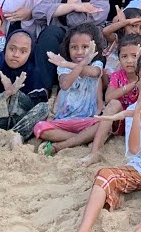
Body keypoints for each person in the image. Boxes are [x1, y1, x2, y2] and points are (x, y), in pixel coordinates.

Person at [51, 48, 141, 232]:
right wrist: (134, 114)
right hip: (140, 168)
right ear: (138, 77)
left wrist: (130, 113)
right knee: (104, 175)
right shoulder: (131, 108)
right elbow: (134, 149)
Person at [31, 0, 110, 87]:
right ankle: (43, 88)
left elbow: (75, 23)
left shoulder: (101, 3)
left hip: (84, 52)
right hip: (57, 46)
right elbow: (37, 12)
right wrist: (73, 6)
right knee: (51, 32)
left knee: (80, 38)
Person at [33, 24, 107, 155]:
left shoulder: (96, 64)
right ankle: (79, 139)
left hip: (87, 120)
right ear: (67, 48)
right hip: (64, 120)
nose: (79, 52)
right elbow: (65, 84)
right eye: (74, 47)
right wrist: (75, 64)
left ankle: (65, 142)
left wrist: (75, 63)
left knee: (104, 125)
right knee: (40, 128)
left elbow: (95, 73)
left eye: (85, 47)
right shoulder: (63, 69)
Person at [0, 28, 49, 144]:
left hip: (21, 122)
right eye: (12, 49)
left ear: (30, 53)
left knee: (44, 108)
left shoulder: (33, 72)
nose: (15, 55)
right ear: (5, 48)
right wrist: (6, 94)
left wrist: (16, 93)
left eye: (23, 51)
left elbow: (35, 107)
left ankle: (15, 135)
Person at [81, 36, 141, 166]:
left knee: (94, 129)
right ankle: (94, 152)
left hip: (140, 123)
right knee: (114, 104)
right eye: (124, 56)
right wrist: (131, 85)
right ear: (119, 58)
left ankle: (62, 144)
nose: (130, 61)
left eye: (134, 56)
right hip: (118, 121)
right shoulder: (117, 75)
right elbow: (109, 97)